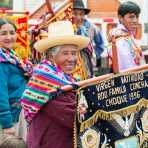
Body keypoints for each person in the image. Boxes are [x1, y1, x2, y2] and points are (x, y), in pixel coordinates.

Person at [20, 21, 89, 148]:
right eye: (65, 53)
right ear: (52, 56)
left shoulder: (64, 78)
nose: (71, 59)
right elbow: (75, 117)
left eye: (73, 53)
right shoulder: (47, 82)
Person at [0, 19, 32, 136]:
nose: (9, 37)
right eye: (3, 33)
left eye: (12, 32)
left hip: (19, 111)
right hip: (11, 116)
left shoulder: (11, 56)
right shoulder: (2, 61)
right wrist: (7, 124)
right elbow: (1, 93)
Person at [108, 1, 145, 72]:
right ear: (120, 18)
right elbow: (127, 70)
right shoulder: (119, 40)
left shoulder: (128, 36)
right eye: (131, 17)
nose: (135, 20)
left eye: (137, 17)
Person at [73, 0, 104, 78]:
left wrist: (92, 55)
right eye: (75, 13)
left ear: (84, 14)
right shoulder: (67, 26)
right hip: (71, 66)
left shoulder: (92, 28)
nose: (78, 17)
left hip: (87, 66)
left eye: (81, 14)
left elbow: (100, 45)